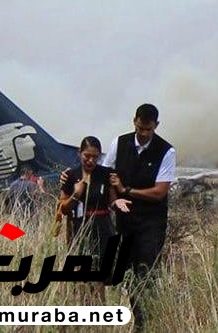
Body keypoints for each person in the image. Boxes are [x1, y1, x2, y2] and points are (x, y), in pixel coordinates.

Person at [102, 104, 176, 329]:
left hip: (151, 223)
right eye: (140, 128)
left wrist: (127, 191)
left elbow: (159, 192)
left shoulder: (166, 151)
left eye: (148, 129)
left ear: (156, 126)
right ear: (134, 121)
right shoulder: (119, 143)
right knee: (126, 272)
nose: (143, 133)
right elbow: (108, 175)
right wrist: (115, 200)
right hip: (125, 221)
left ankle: (145, 322)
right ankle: (135, 318)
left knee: (145, 271)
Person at [59, 136, 131, 301]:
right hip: (79, 228)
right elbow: (63, 208)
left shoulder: (106, 174)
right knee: (81, 275)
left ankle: (99, 310)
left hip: (102, 229)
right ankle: (83, 308)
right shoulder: (70, 175)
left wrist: (117, 202)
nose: (90, 160)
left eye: (95, 157)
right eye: (87, 156)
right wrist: (76, 194)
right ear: (79, 153)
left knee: (99, 275)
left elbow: (112, 200)